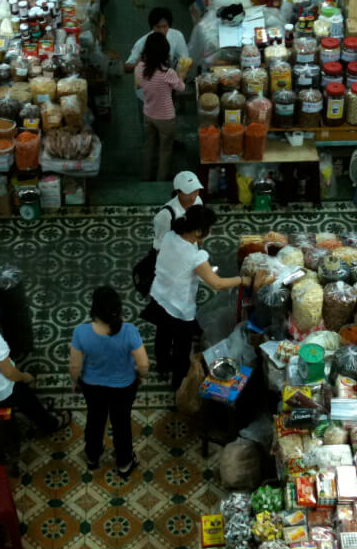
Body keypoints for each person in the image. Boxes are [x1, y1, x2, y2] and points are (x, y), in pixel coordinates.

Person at [147, 205, 252, 390]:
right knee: (182, 350)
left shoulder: (170, 236)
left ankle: (162, 365)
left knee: (162, 334)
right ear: (198, 231)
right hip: (179, 308)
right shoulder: (195, 256)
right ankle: (178, 387)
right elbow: (216, 283)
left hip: (159, 295)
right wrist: (242, 280)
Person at [0, 289, 69, 435]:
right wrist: (25, 377)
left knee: (24, 391)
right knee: (24, 392)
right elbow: (10, 374)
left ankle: (38, 407)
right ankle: (50, 424)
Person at [69, 286, 148, 477]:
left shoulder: (81, 332)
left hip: (92, 386)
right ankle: (124, 462)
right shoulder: (129, 331)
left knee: (95, 419)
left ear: (94, 310)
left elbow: (75, 366)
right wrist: (141, 377)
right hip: (124, 387)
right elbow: (143, 363)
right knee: (121, 423)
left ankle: (92, 456)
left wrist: (76, 381)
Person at [136, 33, 185, 182]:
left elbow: (138, 84)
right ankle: (160, 180)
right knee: (165, 150)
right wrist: (182, 74)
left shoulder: (140, 67)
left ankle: (146, 177)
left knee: (149, 147)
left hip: (148, 113)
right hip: (166, 118)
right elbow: (181, 88)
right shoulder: (167, 73)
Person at [123, 7, 190, 75]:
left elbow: (184, 59)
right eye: (158, 27)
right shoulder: (142, 43)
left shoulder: (177, 36)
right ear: (152, 27)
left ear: (169, 26)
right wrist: (137, 64)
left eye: (164, 27)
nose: (162, 31)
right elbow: (126, 68)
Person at [153, 171, 204, 249]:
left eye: (196, 191)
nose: (193, 197)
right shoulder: (165, 216)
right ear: (178, 192)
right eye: (189, 192)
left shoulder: (198, 201)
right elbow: (160, 245)